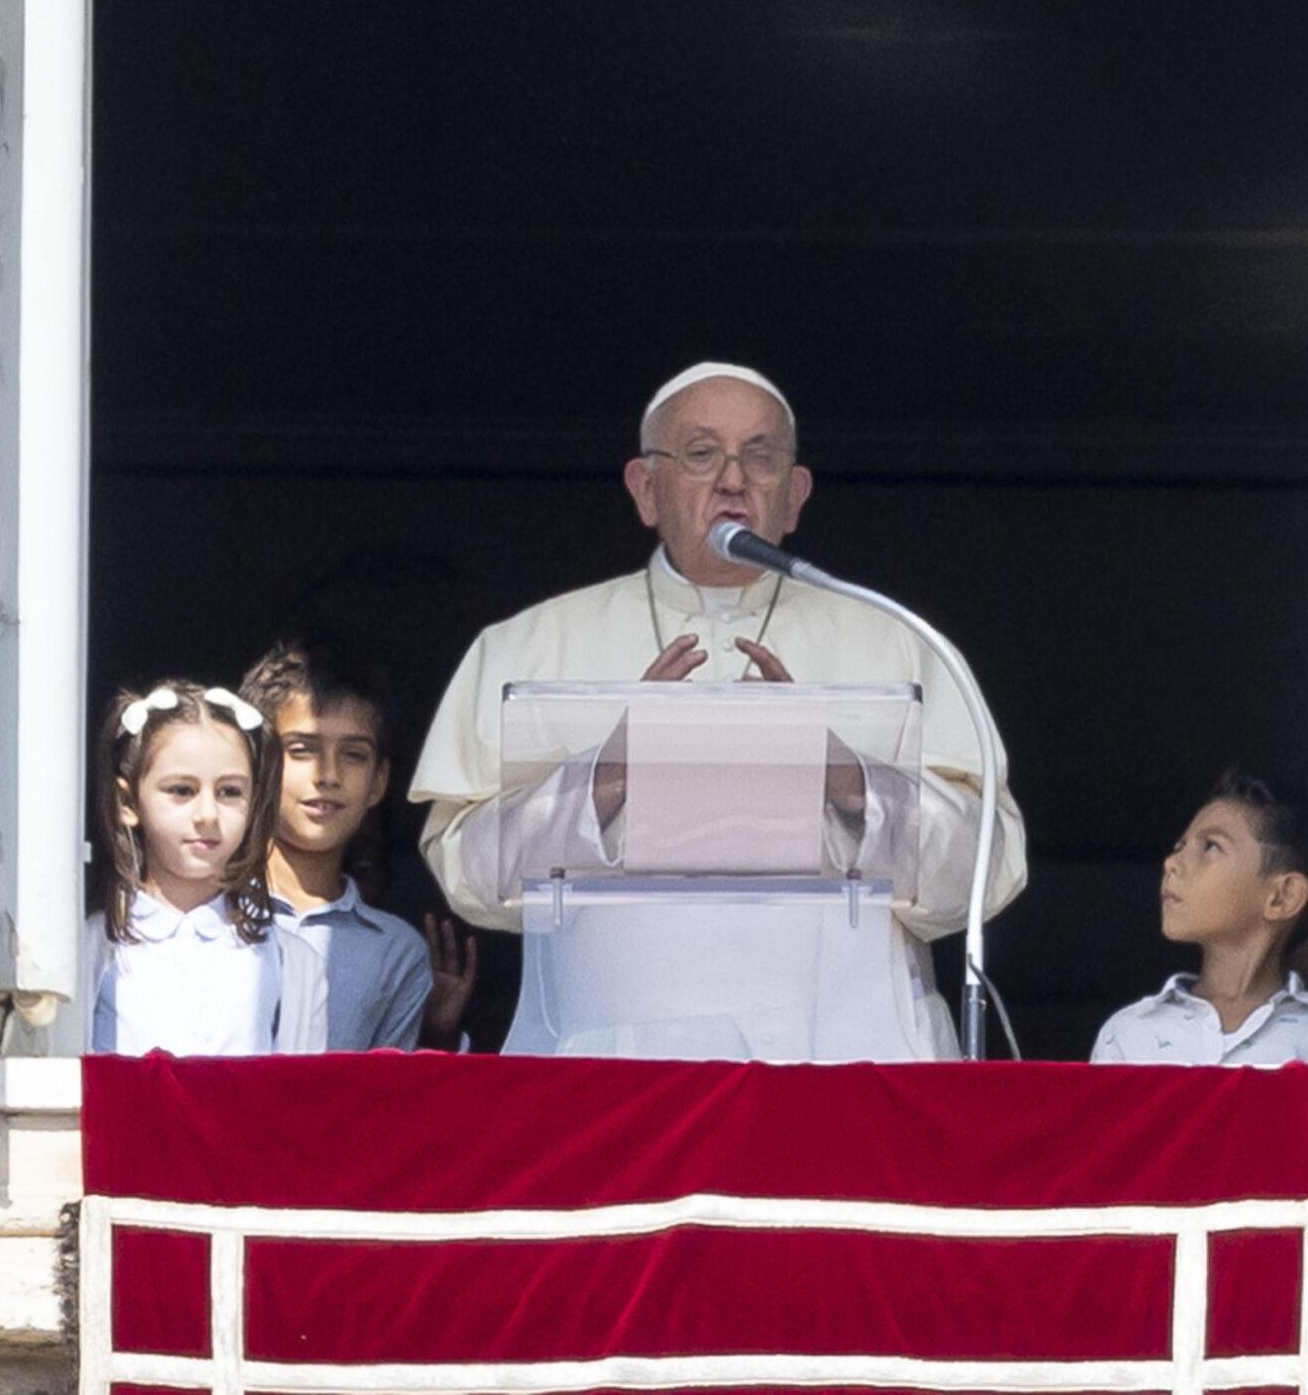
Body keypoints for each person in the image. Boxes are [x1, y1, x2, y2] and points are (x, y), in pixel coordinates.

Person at [409, 361, 1028, 1057]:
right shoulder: (528, 645)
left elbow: (987, 872)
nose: (733, 481)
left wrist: (850, 781)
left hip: (848, 1062)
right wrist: (604, 776)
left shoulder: (901, 642)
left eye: (759, 458)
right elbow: (466, 876)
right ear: (645, 490)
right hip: (612, 1063)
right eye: (702, 455)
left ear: (794, 497)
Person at [239, 637, 476, 1051]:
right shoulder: (202, 918)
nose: (327, 774)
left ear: (378, 782)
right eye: (301, 750)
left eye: (353, 755)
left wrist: (437, 1036)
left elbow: (389, 1101)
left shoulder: (395, 952)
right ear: (255, 763)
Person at [82, 680, 327, 1056]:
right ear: (128, 801)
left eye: (230, 792)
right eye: (181, 790)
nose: (208, 815)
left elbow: (298, 1098)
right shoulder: (90, 946)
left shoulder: (289, 958)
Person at [1091, 769, 1308, 1066]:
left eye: (1211, 846)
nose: (1171, 863)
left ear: (1282, 896)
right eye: (1179, 846)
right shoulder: (1129, 1033)